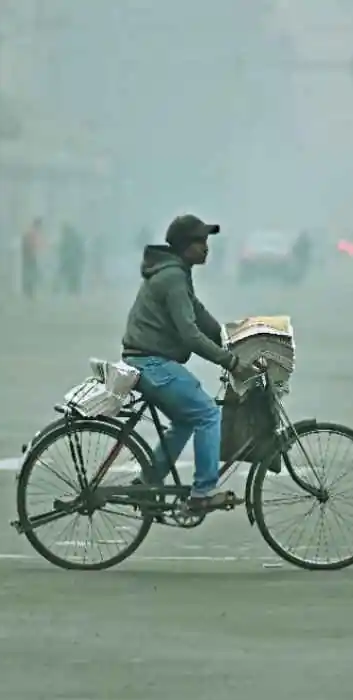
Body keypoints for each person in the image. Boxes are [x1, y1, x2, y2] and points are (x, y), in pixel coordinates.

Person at [121, 214, 258, 511]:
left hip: (146, 361)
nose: (206, 248)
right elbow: (190, 334)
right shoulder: (172, 278)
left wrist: (230, 338)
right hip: (151, 363)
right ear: (185, 246)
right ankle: (203, 493)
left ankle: (148, 481)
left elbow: (199, 314)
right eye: (200, 242)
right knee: (208, 414)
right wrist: (231, 362)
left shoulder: (177, 273)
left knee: (185, 420)